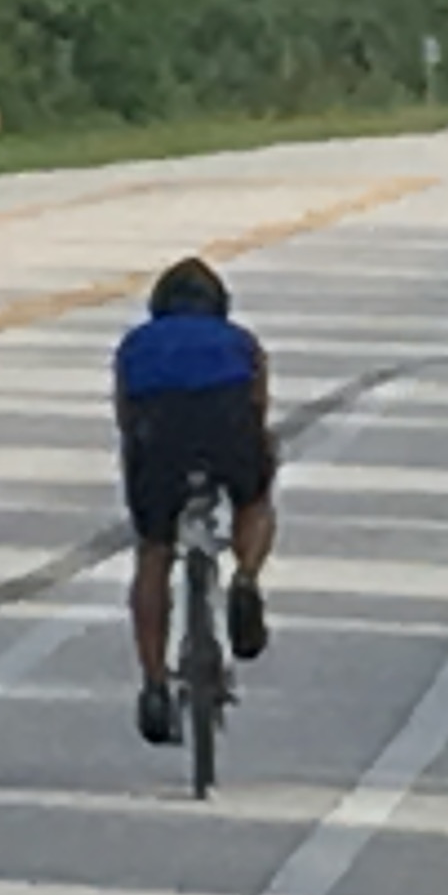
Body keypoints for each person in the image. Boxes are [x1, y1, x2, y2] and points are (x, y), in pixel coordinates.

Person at [113, 254, 277, 744]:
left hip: (159, 436)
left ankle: (154, 682)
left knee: (154, 551)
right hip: (226, 426)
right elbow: (258, 407)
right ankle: (246, 578)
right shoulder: (243, 343)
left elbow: (125, 415)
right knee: (255, 497)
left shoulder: (135, 344)